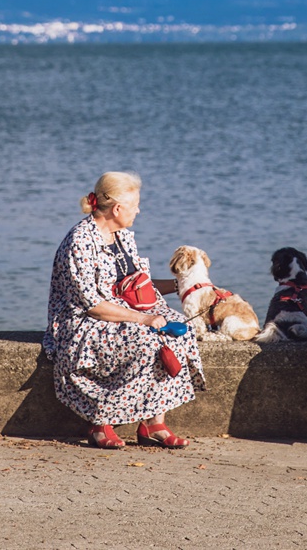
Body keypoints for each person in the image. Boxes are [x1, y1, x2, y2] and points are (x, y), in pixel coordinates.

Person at [42, 170, 205, 449]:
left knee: (180, 330)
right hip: (83, 322)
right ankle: (100, 423)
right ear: (117, 208)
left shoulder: (123, 237)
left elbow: (134, 286)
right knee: (145, 340)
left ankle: (154, 422)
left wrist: (189, 285)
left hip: (121, 312)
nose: (139, 210)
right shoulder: (80, 241)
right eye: (135, 205)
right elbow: (92, 304)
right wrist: (145, 318)